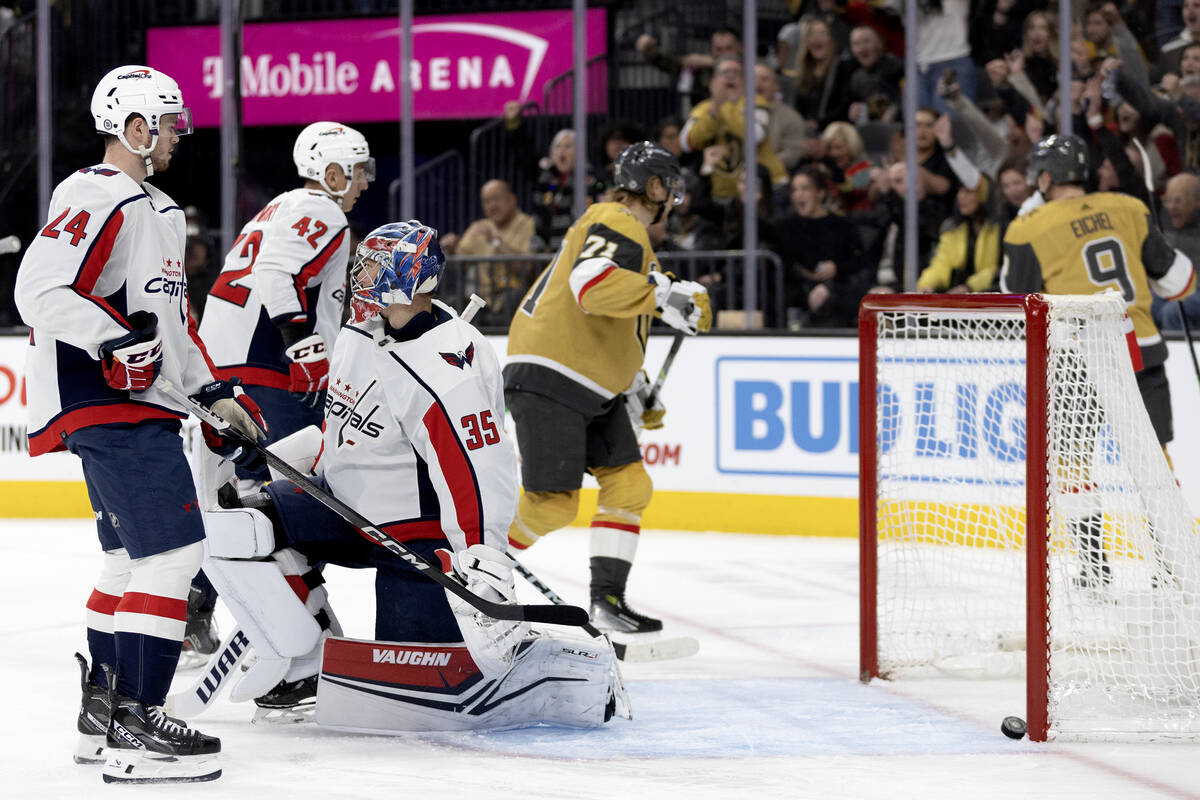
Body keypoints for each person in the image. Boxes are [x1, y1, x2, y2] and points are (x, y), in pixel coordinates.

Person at [201, 220, 624, 730]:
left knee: (409, 706)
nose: (362, 274)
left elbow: (478, 469)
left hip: (416, 543)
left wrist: (483, 558)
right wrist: (269, 461)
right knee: (245, 523)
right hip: (349, 511)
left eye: (377, 266)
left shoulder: (448, 364)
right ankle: (306, 664)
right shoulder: (361, 329)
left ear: (413, 277)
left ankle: (477, 646)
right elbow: (342, 426)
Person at [13, 64, 267, 784]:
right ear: (133, 127)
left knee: (130, 561)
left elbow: (170, 326)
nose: (177, 133)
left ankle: (103, 713)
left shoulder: (155, 208)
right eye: (167, 121)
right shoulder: (98, 193)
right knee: (174, 555)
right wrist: (112, 339)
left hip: (135, 403)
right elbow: (37, 288)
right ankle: (138, 724)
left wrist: (210, 392)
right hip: (107, 402)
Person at [504, 142, 712, 633]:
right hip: (554, 375)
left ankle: (608, 602)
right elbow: (591, 287)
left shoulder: (630, 239)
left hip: (582, 381)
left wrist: (633, 383)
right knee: (552, 504)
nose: (672, 200)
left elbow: (613, 317)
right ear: (655, 187)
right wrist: (665, 295)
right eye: (669, 187)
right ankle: (477, 571)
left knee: (629, 484)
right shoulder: (619, 220)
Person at [1001, 134, 1196, 586]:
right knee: (1154, 461)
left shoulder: (1028, 227)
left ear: (1044, 178)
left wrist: (1024, 218)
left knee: (1073, 462)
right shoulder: (1130, 208)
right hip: (1140, 351)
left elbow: (1015, 298)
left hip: (1077, 357)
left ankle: (1093, 569)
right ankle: (1169, 567)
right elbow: (1179, 282)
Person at [198, 121, 373, 484]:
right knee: (303, 488)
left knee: (246, 489)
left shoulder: (277, 207)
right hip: (268, 368)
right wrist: (303, 350)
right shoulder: (324, 210)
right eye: (359, 171)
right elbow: (277, 270)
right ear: (333, 175)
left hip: (223, 371)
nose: (365, 182)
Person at [680, 57, 788, 202]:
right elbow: (687, 143)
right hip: (723, 195)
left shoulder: (756, 102)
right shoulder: (704, 108)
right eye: (725, 73)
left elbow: (756, 135)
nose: (730, 77)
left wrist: (722, 106)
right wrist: (713, 113)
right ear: (713, 81)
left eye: (736, 73)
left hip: (766, 189)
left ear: (744, 81)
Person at [440, 179, 540, 323]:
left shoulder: (528, 224)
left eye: (497, 199)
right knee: (450, 304)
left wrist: (495, 242)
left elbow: (530, 268)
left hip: (514, 299)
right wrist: (450, 249)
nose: (492, 205)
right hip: (482, 302)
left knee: (514, 298)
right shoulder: (479, 227)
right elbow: (458, 259)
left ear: (512, 200)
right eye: (487, 201)